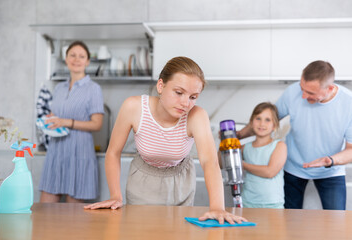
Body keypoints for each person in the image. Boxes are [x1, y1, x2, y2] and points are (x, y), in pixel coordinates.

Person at [84, 56, 246, 224]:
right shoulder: (134, 107)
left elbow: (210, 162)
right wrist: (115, 196)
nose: (185, 103)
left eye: (193, 97)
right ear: (161, 86)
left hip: (181, 182)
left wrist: (218, 207)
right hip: (143, 180)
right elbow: (113, 152)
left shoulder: (197, 116)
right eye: (179, 92)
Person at [237, 60, 352, 210]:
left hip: (331, 171)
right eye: (302, 88)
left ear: (329, 88)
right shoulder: (292, 92)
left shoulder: (351, 104)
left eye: (310, 92)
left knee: (336, 221)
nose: (303, 96)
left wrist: (330, 160)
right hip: (294, 168)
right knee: (290, 222)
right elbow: (268, 121)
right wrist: (237, 134)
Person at [39, 41, 104, 203]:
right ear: (66, 59)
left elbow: (97, 124)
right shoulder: (59, 88)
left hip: (79, 152)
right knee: (44, 212)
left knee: (74, 220)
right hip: (56, 151)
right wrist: (49, 120)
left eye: (82, 56)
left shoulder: (93, 89)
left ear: (87, 61)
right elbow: (55, 115)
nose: (77, 59)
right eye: (72, 55)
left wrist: (66, 122)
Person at [241, 102, 287, 208]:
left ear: (274, 125)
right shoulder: (245, 147)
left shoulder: (279, 146)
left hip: (273, 204)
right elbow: (221, 163)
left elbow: (270, 172)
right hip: (247, 203)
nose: (262, 124)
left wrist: (242, 164)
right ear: (251, 123)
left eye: (267, 120)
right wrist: (226, 141)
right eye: (258, 119)